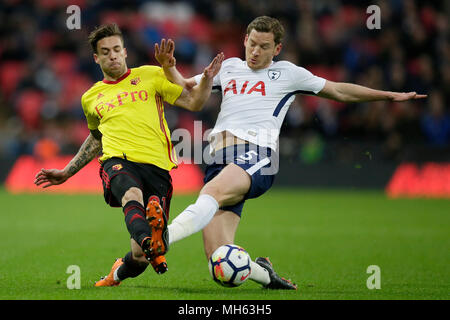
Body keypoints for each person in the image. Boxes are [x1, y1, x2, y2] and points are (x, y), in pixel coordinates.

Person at [150, 16, 427, 290]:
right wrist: (168, 67)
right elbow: (187, 85)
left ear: (277, 49)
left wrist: (388, 95)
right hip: (219, 160)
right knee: (219, 261)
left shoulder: (289, 74)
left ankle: (163, 238)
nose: (256, 51)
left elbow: (338, 91)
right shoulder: (229, 67)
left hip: (256, 155)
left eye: (265, 46)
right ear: (245, 40)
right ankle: (265, 274)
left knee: (209, 194)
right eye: (253, 44)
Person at [34, 23, 224, 287]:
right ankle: (150, 240)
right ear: (96, 58)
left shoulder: (151, 75)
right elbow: (96, 138)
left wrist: (207, 79)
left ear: (124, 52)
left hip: (157, 167)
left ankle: (121, 270)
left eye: (116, 49)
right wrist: (67, 171)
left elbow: (195, 103)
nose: (112, 55)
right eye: (105, 51)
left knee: (139, 257)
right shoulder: (91, 97)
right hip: (117, 161)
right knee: (130, 195)